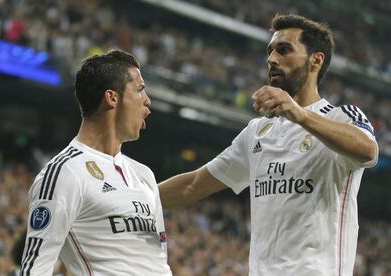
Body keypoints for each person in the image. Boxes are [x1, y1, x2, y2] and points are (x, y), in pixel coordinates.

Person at [159, 14, 378, 276]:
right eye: (270, 51)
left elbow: (368, 150)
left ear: (315, 60)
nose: (272, 59)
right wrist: (131, 201)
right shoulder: (257, 132)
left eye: (284, 50)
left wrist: (300, 115)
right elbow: (193, 184)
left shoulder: (342, 117)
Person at [21, 50, 172, 275]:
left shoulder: (145, 175)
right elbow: (34, 270)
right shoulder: (66, 172)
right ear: (112, 97)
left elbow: (158, 264)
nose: (147, 101)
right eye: (140, 90)